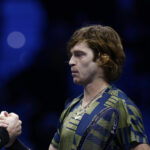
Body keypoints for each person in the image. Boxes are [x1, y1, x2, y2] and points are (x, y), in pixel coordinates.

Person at [49, 25, 150, 150]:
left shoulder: (123, 107)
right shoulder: (71, 108)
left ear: (103, 59)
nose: (71, 62)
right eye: (72, 55)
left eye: (79, 55)